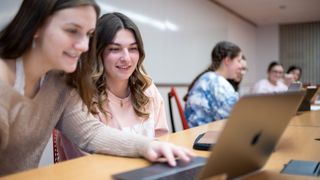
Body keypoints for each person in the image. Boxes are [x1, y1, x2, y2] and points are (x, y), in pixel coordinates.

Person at [0, 0, 193, 176]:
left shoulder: (59, 81)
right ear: (36, 26)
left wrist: (147, 146)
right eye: (72, 30)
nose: (84, 46)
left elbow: (90, 133)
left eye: (89, 35)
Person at [56, 12, 169, 161]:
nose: (126, 58)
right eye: (115, 49)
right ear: (98, 53)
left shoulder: (148, 90)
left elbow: (163, 141)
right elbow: (88, 166)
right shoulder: (80, 97)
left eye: (133, 48)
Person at [183, 41, 242, 128]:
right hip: (205, 137)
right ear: (228, 60)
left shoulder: (207, 78)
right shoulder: (220, 85)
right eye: (239, 61)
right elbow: (237, 120)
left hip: (194, 134)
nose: (240, 66)